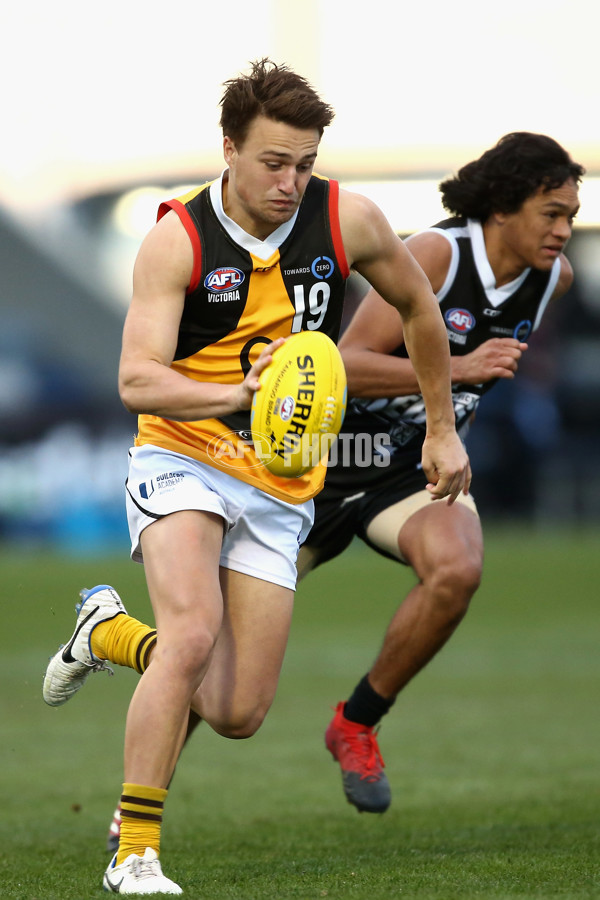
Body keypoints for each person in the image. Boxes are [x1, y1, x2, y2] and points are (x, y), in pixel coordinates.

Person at [43, 58, 469, 895]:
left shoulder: (349, 219)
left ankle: (107, 633)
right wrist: (237, 392)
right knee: (195, 632)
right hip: (182, 452)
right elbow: (136, 379)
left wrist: (443, 430)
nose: (291, 181)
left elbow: (421, 310)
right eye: (274, 162)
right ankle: (135, 852)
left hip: (280, 479)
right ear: (230, 148)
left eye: (305, 163)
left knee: (236, 712)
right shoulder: (179, 237)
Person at [298, 131, 584, 814]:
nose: (565, 230)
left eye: (571, 214)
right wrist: (457, 367)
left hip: (411, 470)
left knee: (458, 569)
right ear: (504, 205)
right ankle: (134, 812)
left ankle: (357, 723)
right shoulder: (435, 253)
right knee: (226, 665)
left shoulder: (556, 280)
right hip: (322, 468)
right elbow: (344, 365)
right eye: (552, 212)